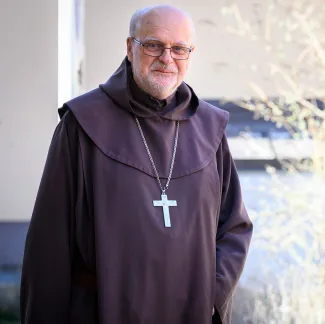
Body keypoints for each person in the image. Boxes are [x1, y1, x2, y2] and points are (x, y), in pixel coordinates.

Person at [20, 5, 253, 324]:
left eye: (179, 49)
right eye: (154, 45)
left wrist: (210, 297)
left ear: (190, 54)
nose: (167, 58)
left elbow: (234, 227)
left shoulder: (209, 128)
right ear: (131, 48)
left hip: (190, 313)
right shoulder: (82, 124)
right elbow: (49, 244)